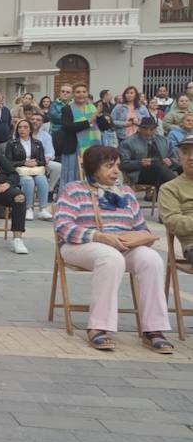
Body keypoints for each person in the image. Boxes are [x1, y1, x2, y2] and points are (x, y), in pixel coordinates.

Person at [55, 145, 173, 353]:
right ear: (93, 168)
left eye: (117, 166)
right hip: (82, 245)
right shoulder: (74, 189)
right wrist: (99, 236)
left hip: (123, 245)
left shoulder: (125, 192)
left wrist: (140, 238)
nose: (116, 171)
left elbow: (140, 227)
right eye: (109, 166)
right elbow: (63, 226)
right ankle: (99, 326)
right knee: (110, 258)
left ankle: (154, 329)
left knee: (152, 259)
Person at [3, 118, 53, 221]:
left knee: (42, 180)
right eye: (20, 127)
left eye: (25, 127)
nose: (22, 130)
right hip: (19, 172)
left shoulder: (37, 143)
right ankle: (28, 208)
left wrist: (36, 163)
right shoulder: (12, 143)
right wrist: (24, 163)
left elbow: (42, 161)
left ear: (30, 130)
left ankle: (42, 209)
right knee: (28, 181)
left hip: (35, 170)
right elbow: (7, 163)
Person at [159, 136, 193, 264]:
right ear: (179, 157)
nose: (191, 157)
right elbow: (173, 222)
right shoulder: (170, 188)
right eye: (185, 152)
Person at [58, 84, 101, 186]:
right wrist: (89, 121)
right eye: (78, 92)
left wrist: (100, 114)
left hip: (92, 147)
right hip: (74, 146)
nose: (81, 94)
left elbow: (104, 126)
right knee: (72, 175)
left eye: (84, 92)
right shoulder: (67, 109)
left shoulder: (93, 108)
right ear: (73, 94)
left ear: (87, 93)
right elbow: (68, 127)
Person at [119, 116, 177, 190]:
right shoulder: (128, 143)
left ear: (155, 129)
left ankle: (158, 195)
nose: (148, 132)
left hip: (163, 171)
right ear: (139, 128)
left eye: (151, 129)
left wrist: (171, 161)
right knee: (157, 165)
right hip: (139, 173)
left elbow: (176, 159)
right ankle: (178, 188)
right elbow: (123, 164)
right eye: (145, 129)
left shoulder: (165, 141)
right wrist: (140, 163)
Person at [28, 112, 63, 196]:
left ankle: (48, 190)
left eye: (38, 120)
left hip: (41, 161)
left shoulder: (46, 136)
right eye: (32, 119)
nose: (35, 121)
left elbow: (50, 152)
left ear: (42, 123)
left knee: (58, 167)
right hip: (25, 162)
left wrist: (46, 159)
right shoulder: (22, 133)